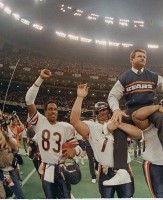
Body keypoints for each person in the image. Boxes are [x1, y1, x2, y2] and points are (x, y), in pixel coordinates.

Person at [107, 49, 163, 184]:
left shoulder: (153, 75)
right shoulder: (124, 77)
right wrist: (116, 110)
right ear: (132, 60)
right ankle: (122, 171)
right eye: (140, 56)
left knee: (161, 118)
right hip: (132, 109)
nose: (143, 58)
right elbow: (113, 96)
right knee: (118, 126)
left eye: (144, 56)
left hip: (150, 108)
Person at [70, 83, 142, 198]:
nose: (103, 113)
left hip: (124, 169)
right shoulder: (92, 127)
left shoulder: (119, 123)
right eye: (100, 111)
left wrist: (118, 124)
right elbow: (74, 121)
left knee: (127, 197)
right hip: (105, 171)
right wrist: (80, 97)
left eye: (105, 110)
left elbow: (138, 134)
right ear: (96, 114)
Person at [25, 69, 82, 199]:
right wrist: (40, 78)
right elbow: (29, 100)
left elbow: (78, 148)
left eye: (55, 109)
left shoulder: (66, 127)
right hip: (47, 168)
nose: (53, 111)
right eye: (50, 109)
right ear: (45, 112)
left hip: (62, 169)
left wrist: (75, 151)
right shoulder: (39, 121)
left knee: (66, 197)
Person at [0, 113, 25, 199]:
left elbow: (16, 148)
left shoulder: (5, 129)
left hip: (8, 170)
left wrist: (6, 137)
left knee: (20, 196)